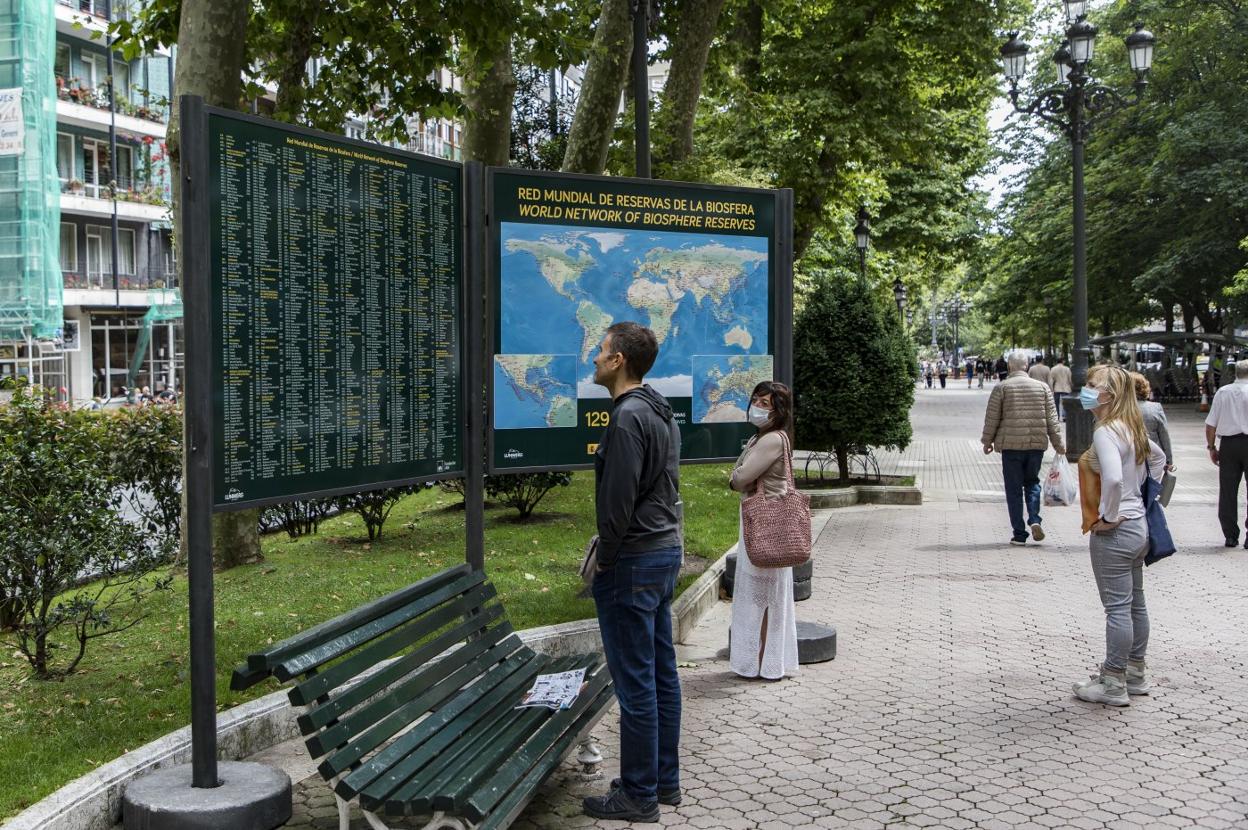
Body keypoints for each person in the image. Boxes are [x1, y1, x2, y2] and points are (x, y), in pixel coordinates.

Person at [583, 321, 683, 823]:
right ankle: (663, 782)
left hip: (635, 560)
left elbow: (617, 504)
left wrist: (605, 559)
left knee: (637, 684)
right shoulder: (659, 408)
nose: (594, 360)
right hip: (664, 553)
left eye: (601, 352)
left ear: (619, 360)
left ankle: (639, 795)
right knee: (662, 675)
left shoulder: (626, 419)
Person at [1072, 365, 1166, 706]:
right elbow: (1160, 459)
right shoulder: (1131, 426)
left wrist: (1110, 515)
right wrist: (1144, 497)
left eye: (1091, 385)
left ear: (1108, 395)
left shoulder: (1106, 431)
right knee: (1134, 604)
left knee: (1117, 609)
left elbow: (1111, 479)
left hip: (1118, 531)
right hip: (1139, 527)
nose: (1086, 390)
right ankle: (1134, 673)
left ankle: (1113, 682)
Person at [728, 381, 800, 681]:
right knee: (768, 594)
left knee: (761, 594)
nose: (756, 406)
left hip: (765, 525)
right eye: (755, 399)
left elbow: (741, 478)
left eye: (765, 403)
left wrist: (735, 477)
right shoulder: (767, 437)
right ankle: (765, 659)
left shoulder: (770, 440)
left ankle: (761, 660)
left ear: (778, 411)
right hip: (768, 523)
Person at [980, 352, 1066, 545]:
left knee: (1013, 489)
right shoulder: (1042, 388)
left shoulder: (1002, 388)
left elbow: (992, 417)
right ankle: (1034, 519)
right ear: (1026, 367)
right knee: (1032, 483)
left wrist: (987, 441)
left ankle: (1019, 533)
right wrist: (1059, 444)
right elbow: (1052, 419)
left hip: (1011, 446)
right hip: (1036, 446)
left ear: (1010, 367)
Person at [1204, 360, 1248, 548]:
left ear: (1235, 373)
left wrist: (1212, 447)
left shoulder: (1223, 392)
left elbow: (1210, 424)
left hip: (1229, 445)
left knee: (1228, 491)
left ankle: (1230, 535)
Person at [1131, 372, 1173, 469]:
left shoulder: (1119, 410)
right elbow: (1164, 435)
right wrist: (1169, 461)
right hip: (1153, 459)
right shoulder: (1155, 408)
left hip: (1129, 461)